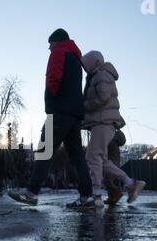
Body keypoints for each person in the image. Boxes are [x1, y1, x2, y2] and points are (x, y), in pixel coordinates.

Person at [8, 28, 93, 207]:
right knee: (77, 156)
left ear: (57, 41)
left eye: (50, 44)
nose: (49, 48)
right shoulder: (76, 59)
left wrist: (52, 100)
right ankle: (87, 196)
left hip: (60, 111)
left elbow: (53, 77)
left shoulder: (59, 51)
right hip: (74, 114)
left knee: (44, 150)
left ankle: (32, 192)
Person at [82, 51, 146, 206]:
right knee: (101, 160)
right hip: (103, 121)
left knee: (93, 157)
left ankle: (96, 194)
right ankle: (132, 184)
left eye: (87, 64)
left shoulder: (101, 75)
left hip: (103, 121)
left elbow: (103, 97)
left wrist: (85, 107)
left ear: (95, 62)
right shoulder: (100, 74)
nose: (85, 68)